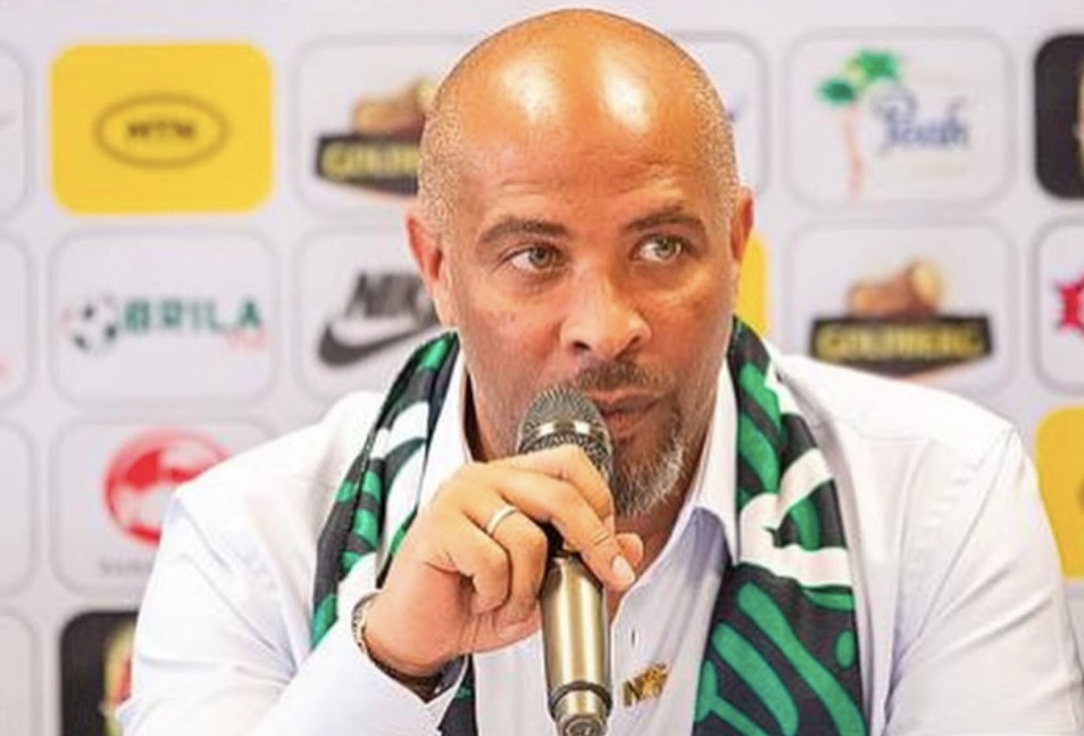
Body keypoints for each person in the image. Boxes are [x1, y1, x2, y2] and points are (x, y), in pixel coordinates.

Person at [119, 9, 1084, 736]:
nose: (605, 327)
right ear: (438, 270)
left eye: (662, 247)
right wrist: (388, 664)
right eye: (535, 256)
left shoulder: (937, 495)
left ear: (735, 244)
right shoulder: (251, 535)